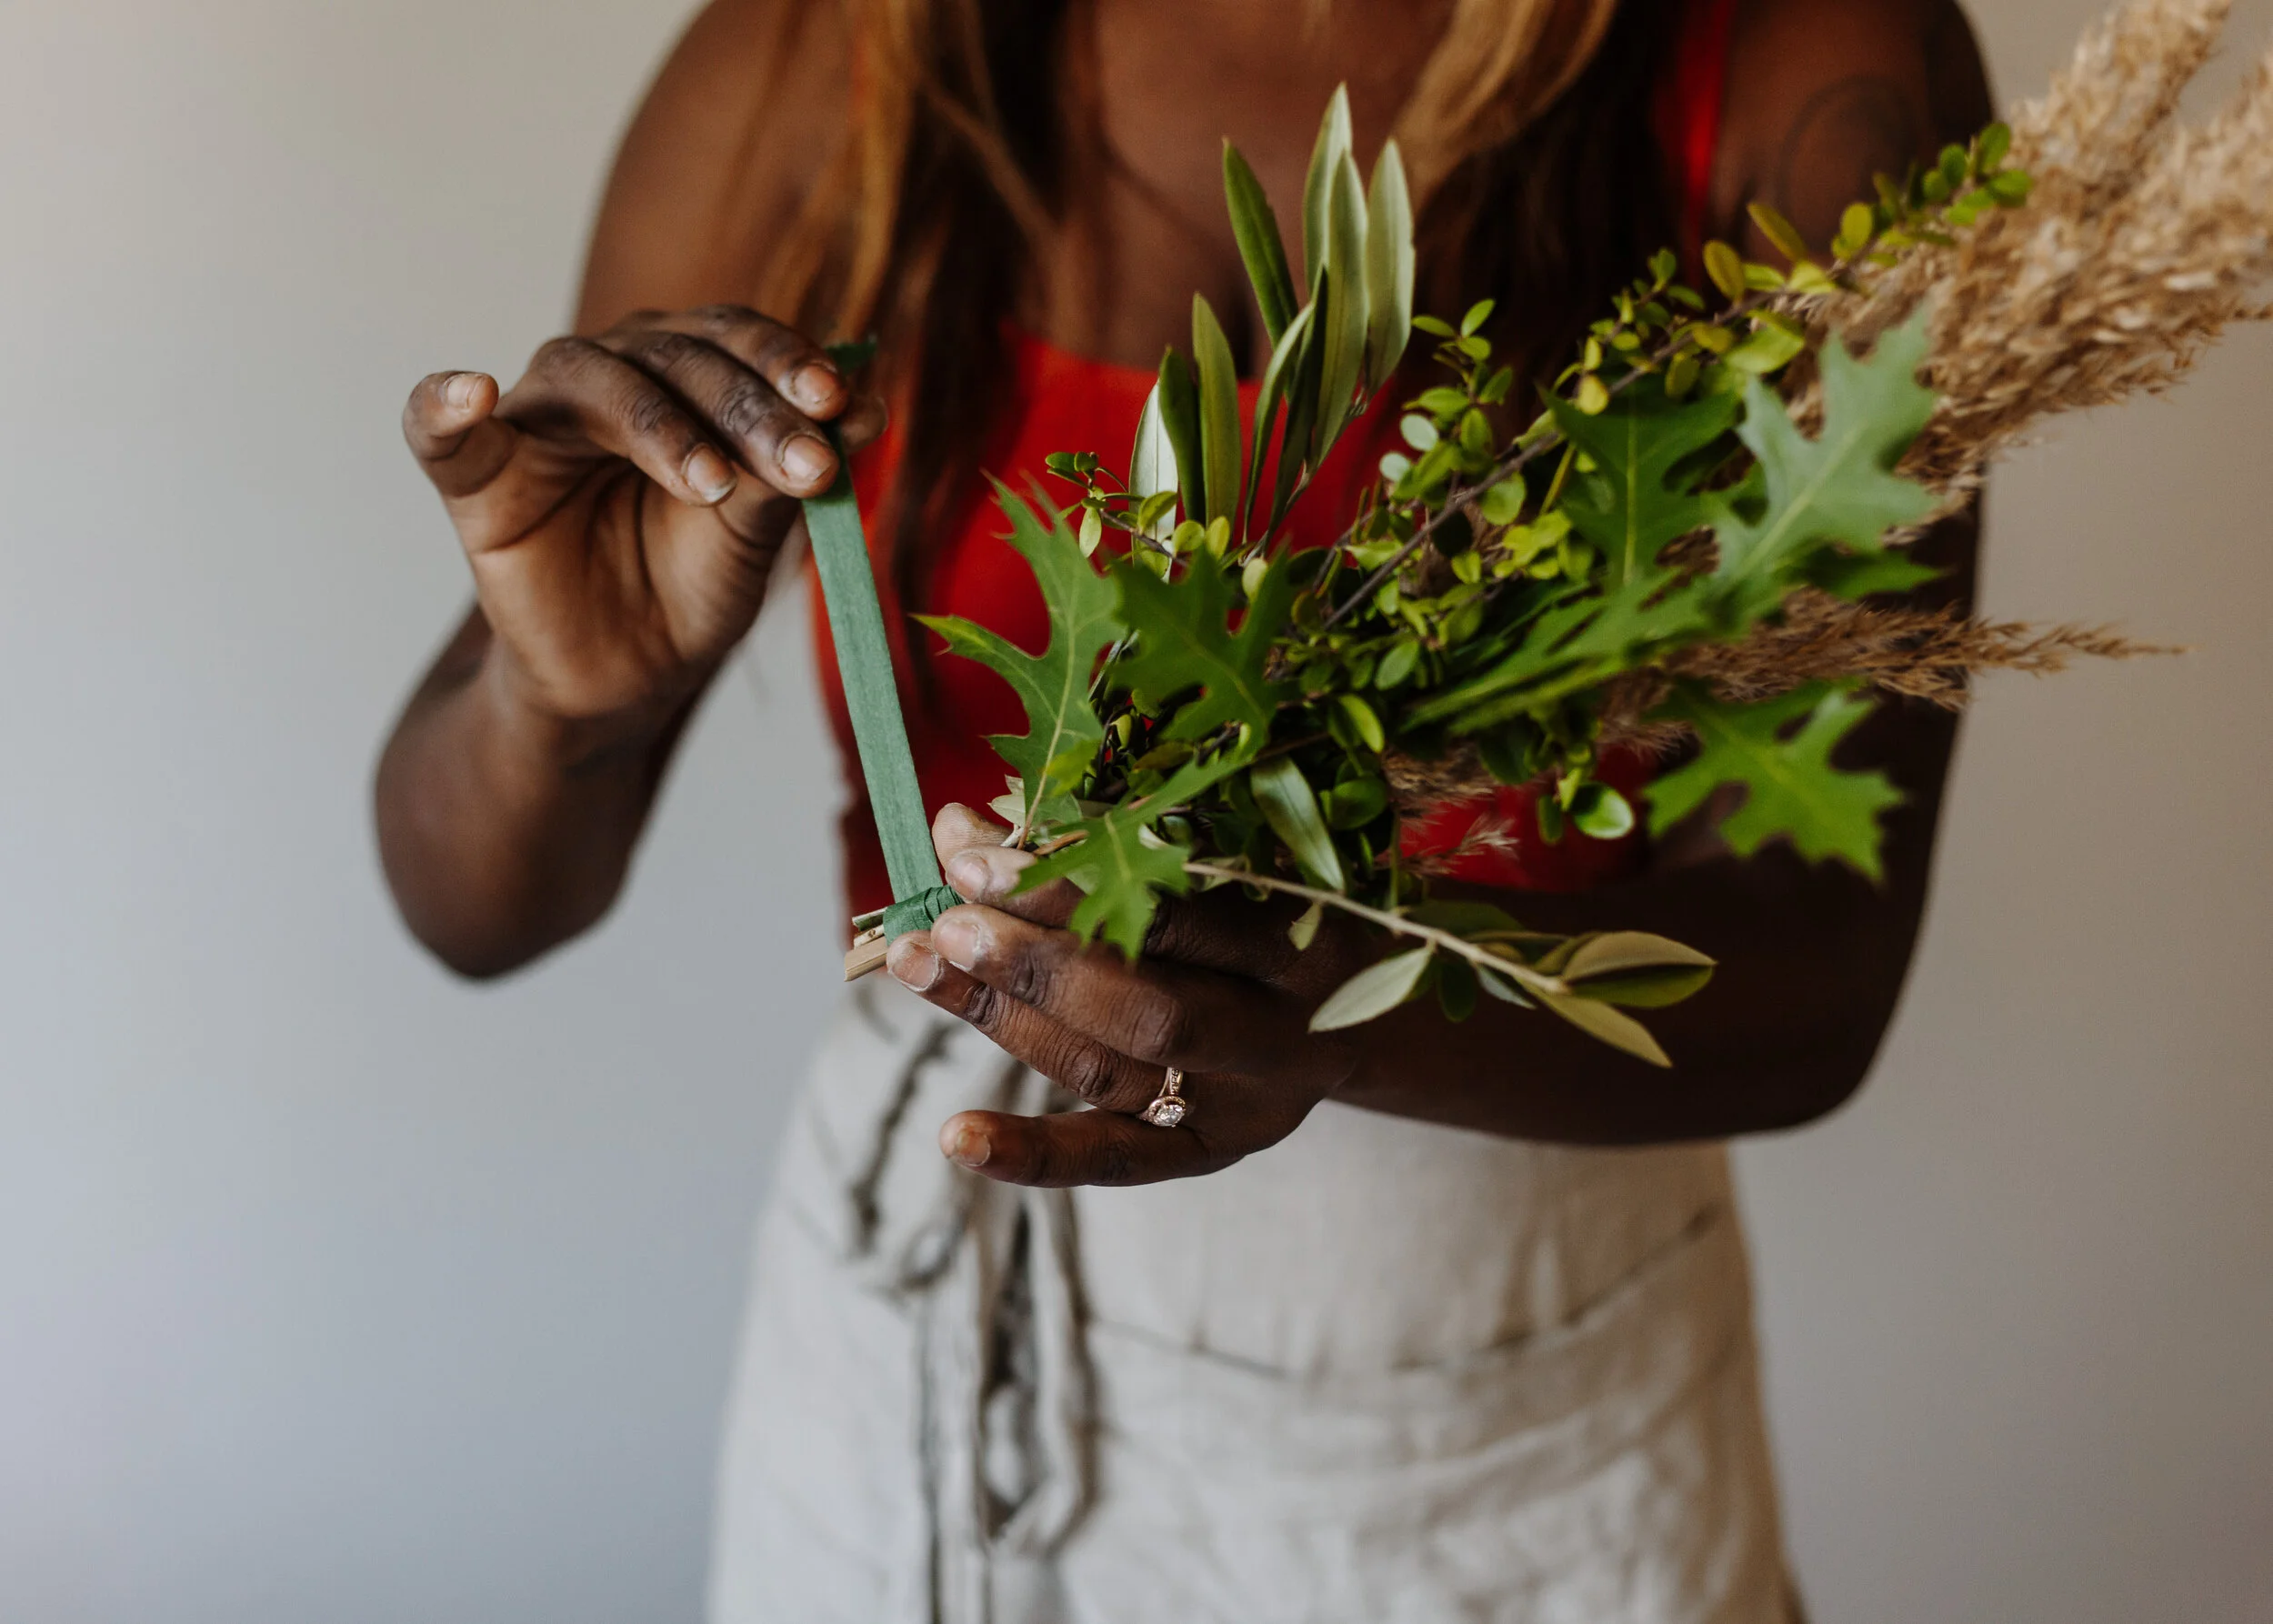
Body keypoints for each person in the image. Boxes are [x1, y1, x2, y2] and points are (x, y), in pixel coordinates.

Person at [375, 0, 1991, 1617]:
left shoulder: (1801, 55)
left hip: (1505, 1432)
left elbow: (1826, 970)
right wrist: (561, 703)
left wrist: (1338, 1016)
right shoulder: (825, 56)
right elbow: (473, 908)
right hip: (901, 1373)